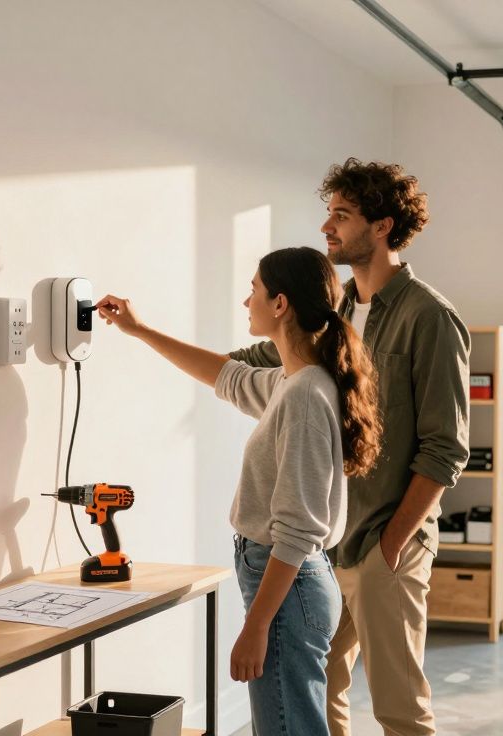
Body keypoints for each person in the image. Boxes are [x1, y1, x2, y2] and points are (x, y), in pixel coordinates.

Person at [96, 246, 381, 735]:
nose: (246, 301)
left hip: (288, 587)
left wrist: (256, 627)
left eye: (254, 290)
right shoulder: (295, 383)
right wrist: (140, 330)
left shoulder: (305, 395)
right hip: (290, 586)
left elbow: (297, 530)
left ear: (280, 304)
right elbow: (227, 377)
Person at [231, 158, 470, 736]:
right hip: (325, 546)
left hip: (386, 544)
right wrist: (142, 330)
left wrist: (391, 545)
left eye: (341, 215)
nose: (327, 227)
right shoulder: (335, 311)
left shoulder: (429, 316)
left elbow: (445, 450)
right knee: (322, 694)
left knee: (400, 712)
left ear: (382, 226)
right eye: (329, 213)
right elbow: (242, 367)